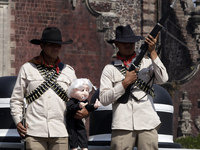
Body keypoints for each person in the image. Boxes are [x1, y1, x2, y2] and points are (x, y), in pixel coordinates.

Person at [10, 27, 88, 150]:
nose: (55, 48)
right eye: (51, 44)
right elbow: (16, 99)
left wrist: (84, 113)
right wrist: (18, 121)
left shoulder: (68, 71)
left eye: (58, 45)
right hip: (34, 130)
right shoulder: (28, 68)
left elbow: (78, 99)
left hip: (61, 131)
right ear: (42, 46)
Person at [99, 24, 169, 150]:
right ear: (116, 44)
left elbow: (163, 79)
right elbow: (104, 99)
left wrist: (152, 52)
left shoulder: (148, 62)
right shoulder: (110, 69)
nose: (128, 45)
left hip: (147, 122)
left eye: (131, 42)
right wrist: (124, 83)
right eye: (124, 42)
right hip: (122, 124)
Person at [66, 78, 101, 150]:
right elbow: (70, 107)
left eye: (87, 90)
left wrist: (94, 106)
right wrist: (78, 106)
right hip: (71, 122)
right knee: (72, 135)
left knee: (83, 133)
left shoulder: (85, 101)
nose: (85, 93)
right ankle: (74, 147)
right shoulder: (71, 101)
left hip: (80, 122)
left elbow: (88, 107)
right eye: (82, 90)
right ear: (74, 90)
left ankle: (84, 147)